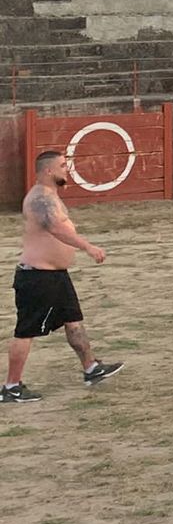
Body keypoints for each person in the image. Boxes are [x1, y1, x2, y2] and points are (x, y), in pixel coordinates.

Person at [4, 151, 124, 403]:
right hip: (38, 278)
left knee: (73, 321)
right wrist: (87, 247)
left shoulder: (50, 195)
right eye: (62, 165)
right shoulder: (40, 198)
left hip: (56, 276)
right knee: (26, 331)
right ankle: (11, 387)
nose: (66, 169)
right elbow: (56, 228)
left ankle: (91, 368)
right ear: (48, 171)